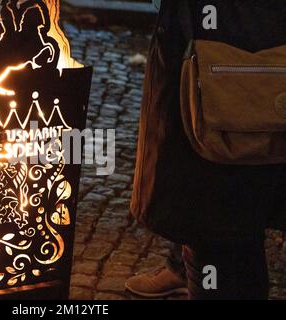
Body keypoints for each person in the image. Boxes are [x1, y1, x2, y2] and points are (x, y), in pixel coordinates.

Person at [128, 0, 286, 300]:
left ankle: (200, 271)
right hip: (214, 46)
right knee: (212, 217)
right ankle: (183, 265)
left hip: (228, 55)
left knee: (219, 227)